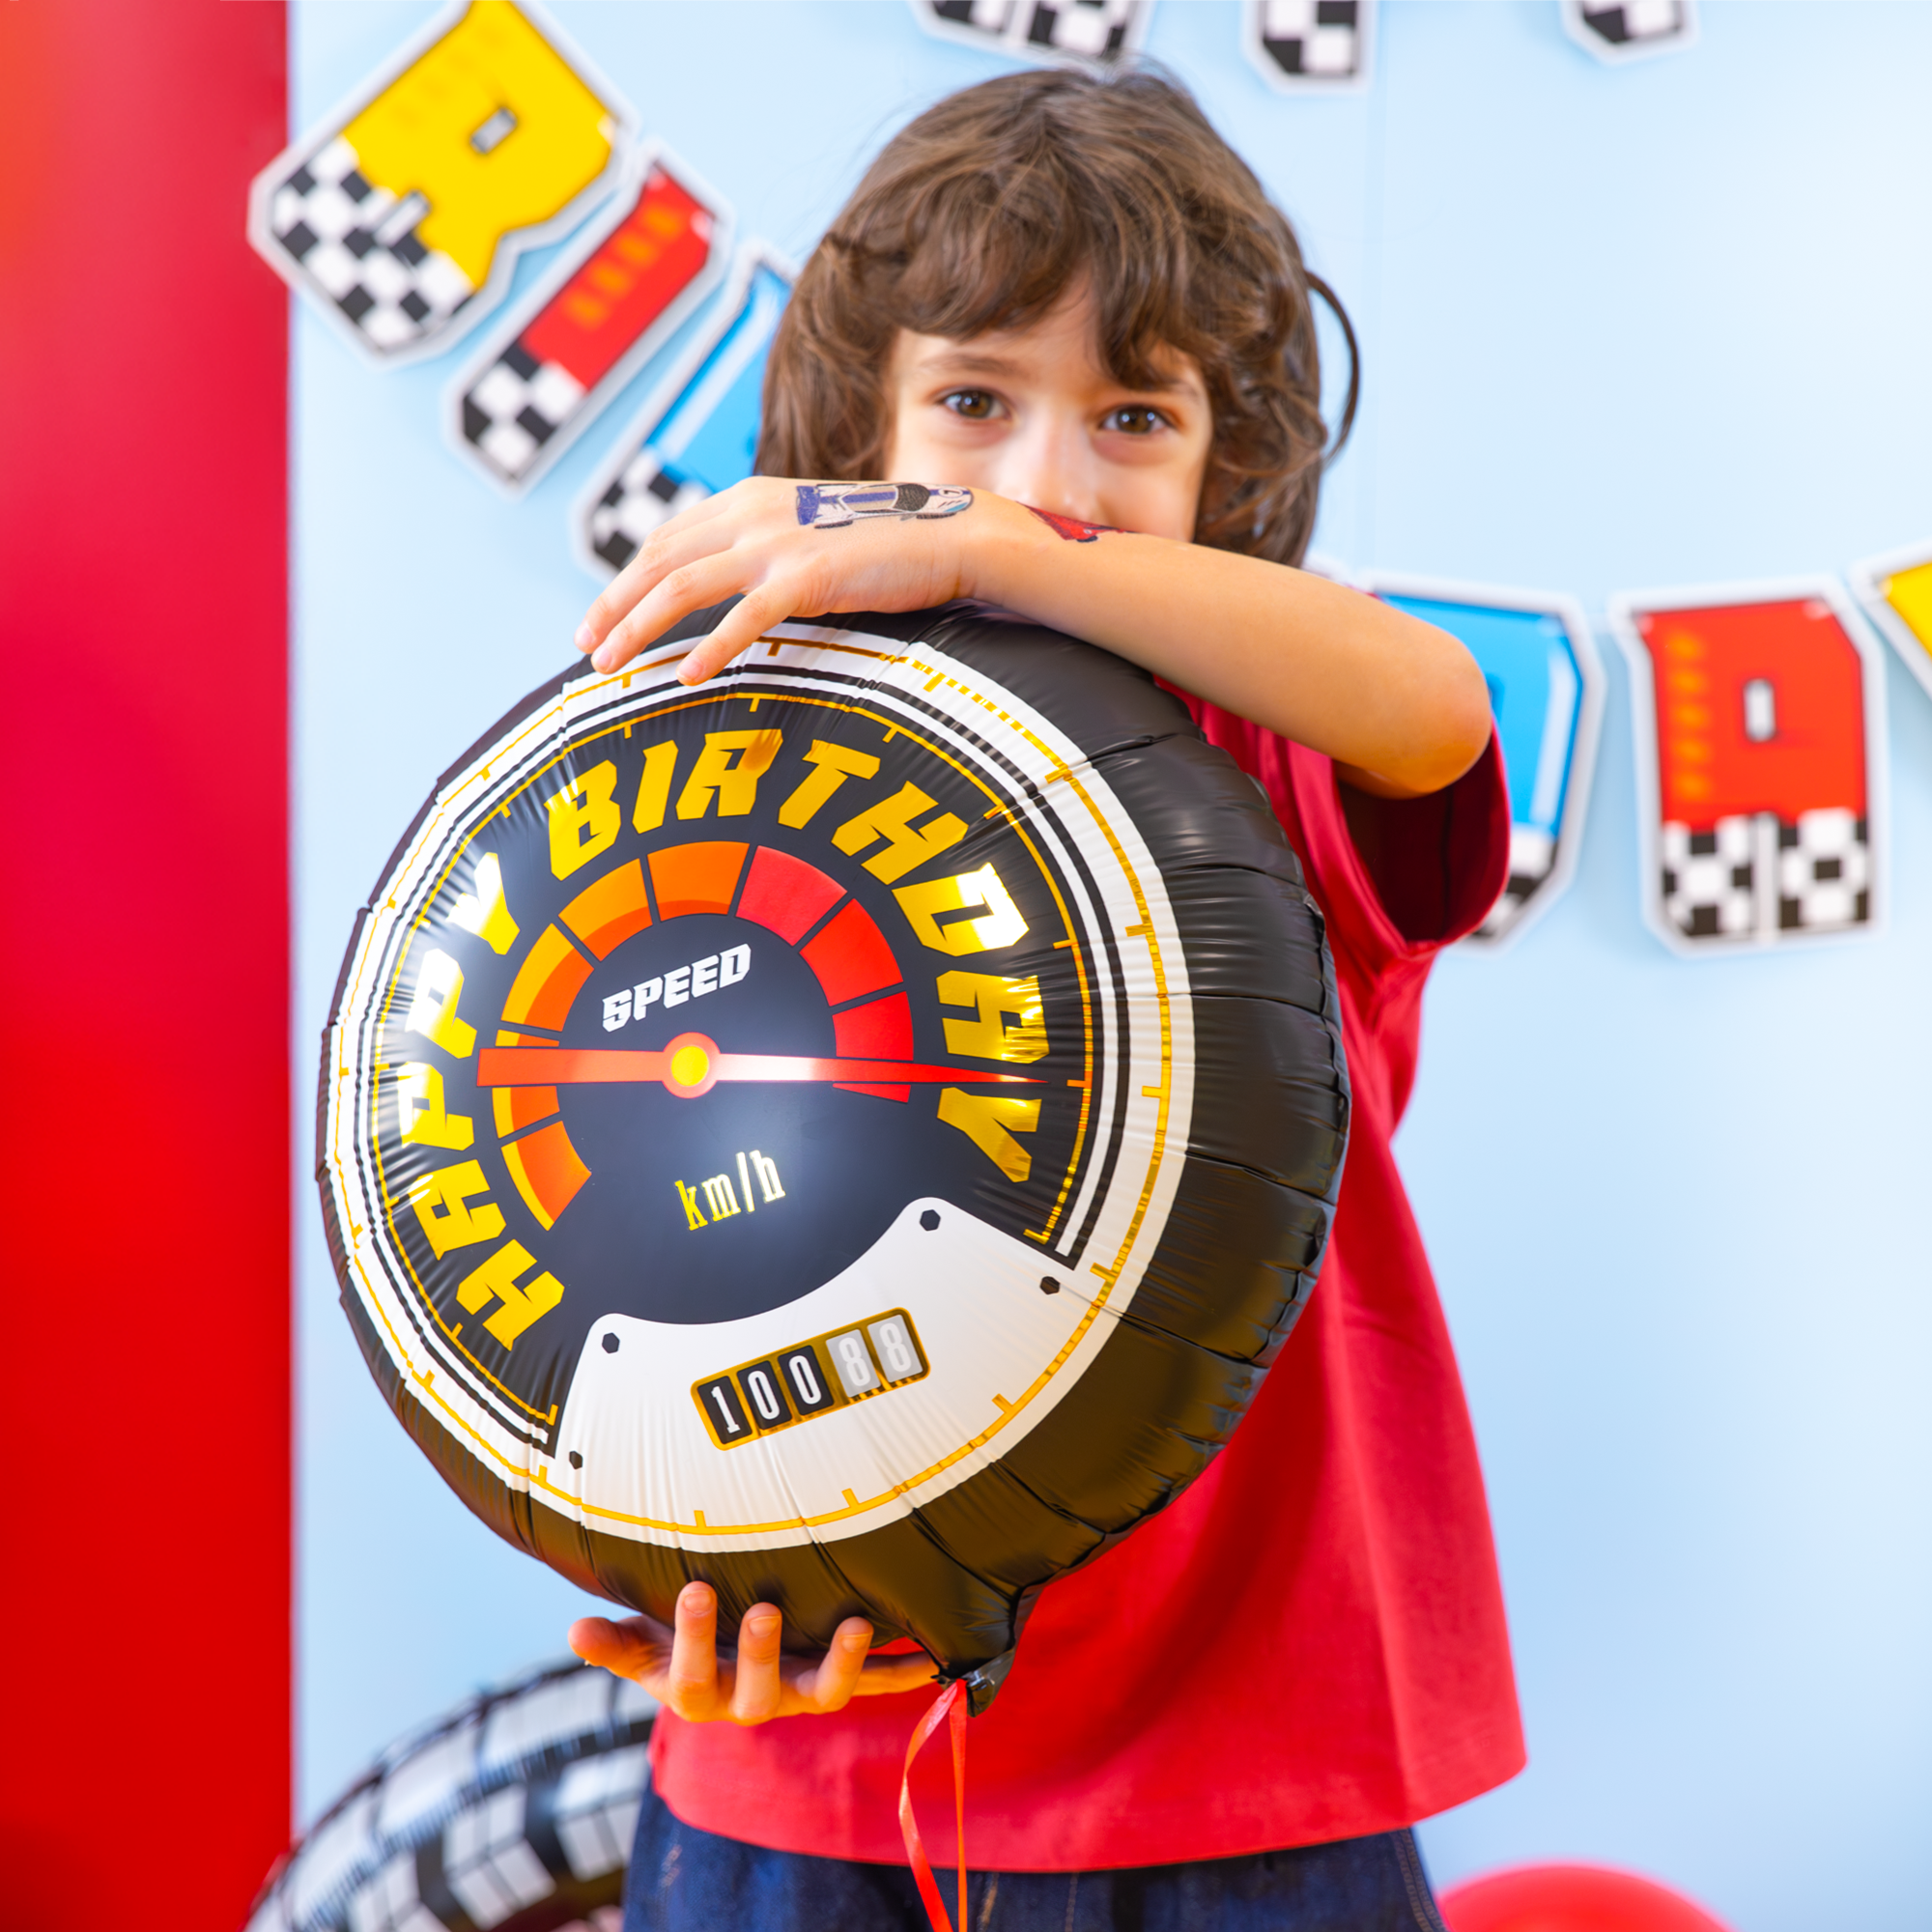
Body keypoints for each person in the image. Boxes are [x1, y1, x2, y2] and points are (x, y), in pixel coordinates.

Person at [567, 65, 1522, 1932]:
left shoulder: (1272, 742)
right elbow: (626, 1208)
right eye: (972, 403)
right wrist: (696, 1567)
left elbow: (1436, 709)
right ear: (855, 429)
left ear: (1229, 474)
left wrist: (998, 556)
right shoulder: (731, 777)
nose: (1040, 484)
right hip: (822, 1764)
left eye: (1133, 417)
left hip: (1250, 1768)